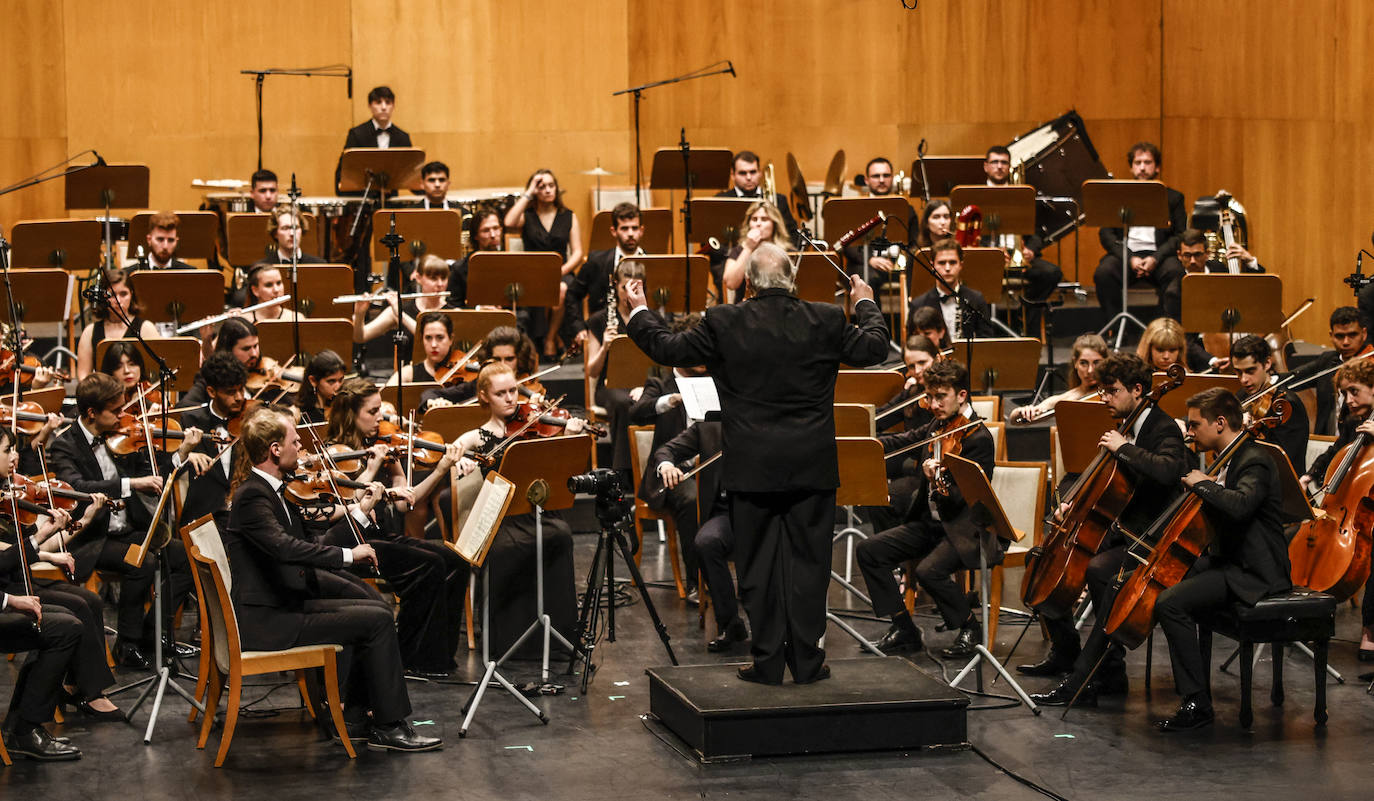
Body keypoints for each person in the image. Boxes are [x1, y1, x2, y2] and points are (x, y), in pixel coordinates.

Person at [622, 242, 889, 685]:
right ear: (793, 282)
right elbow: (875, 347)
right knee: (809, 567)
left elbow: (667, 348)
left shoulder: (724, 322)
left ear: (748, 283)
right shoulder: (824, 318)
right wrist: (863, 303)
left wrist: (640, 311)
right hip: (811, 467)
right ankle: (807, 662)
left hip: (752, 469)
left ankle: (766, 663)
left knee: (758, 569)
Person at [221, 404, 441, 751]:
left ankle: (356, 716)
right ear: (275, 450)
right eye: (296, 442)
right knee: (378, 620)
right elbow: (285, 548)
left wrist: (360, 509)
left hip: (282, 603)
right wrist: (349, 555)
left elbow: (312, 523)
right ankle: (388, 725)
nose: (302, 450)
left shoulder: (269, 490)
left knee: (374, 610)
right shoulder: (252, 497)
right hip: (270, 620)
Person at [1026, 353, 1188, 700]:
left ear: (1137, 389)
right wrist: (1071, 503)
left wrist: (1125, 449)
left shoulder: (1162, 427)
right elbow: (1096, 478)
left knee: (1100, 570)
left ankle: (1102, 672)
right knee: (1040, 558)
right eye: (1102, 391)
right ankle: (1068, 651)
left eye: (1112, 391)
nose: (1104, 398)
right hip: (1120, 529)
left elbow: (1168, 471)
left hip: (1150, 536)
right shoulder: (1127, 426)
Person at [1153, 387, 1291, 731]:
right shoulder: (1233, 457)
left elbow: (1240, 506)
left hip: (1254, 571)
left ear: (1219, 423)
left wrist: (1204, 485)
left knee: (1170, 603)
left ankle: (1197, 702)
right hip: (1230, 560)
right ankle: (1194, 683)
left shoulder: (1255, 458)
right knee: (1172, 577)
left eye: (1194, 424)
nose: (1188, 432)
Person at [47, 373, 202, 668]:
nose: (123, 415)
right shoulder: (65, 445)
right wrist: (130, 484)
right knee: (142, 563)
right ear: (92, 413)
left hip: (128, 529)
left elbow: (152, 472)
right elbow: (78, 488)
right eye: (116, 411)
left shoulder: (123, 439)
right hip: (90, 537)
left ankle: (151, 635)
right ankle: (127, 645)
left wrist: (182, 452)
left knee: (189, 557)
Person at [322, 378, 473, 677]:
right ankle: (408, 655)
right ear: (352, 414)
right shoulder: (334, 453)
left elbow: (407, 502)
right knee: (428, 565)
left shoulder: (384, 446)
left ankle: (439, 654)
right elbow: (346, 505)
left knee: (455, 559)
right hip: (350, 541)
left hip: (380, 536)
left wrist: (441, 468)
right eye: (373, 411)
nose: (382, 418)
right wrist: (372, 467)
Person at [856, 360, 997, 657]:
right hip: (931, 524)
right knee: (869, 550)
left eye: (940, 397)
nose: (932, 404)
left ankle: (970, 626)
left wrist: (940, 477)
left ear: (961, 395)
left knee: (927, 570)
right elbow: (904, 439)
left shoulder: (978, 438)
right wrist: (864, 444)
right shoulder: (937, 425)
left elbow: (966, 499)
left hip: (964, 528)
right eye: (929, 397)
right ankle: (903, 627)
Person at [452, 363, 583, 658]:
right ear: (484, 397)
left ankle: (557, 637)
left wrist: (567, 436)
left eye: (513, 390)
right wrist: (459, 462)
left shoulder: (535, 425)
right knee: (502, 550)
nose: (511, 398)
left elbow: (559, 470)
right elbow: (454, 450)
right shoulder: (478, 436)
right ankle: (508, 641)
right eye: (501, 393)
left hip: (536, 511)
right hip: (500, 517)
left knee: (560, 535)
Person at [1301, 357, 1374, 665]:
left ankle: (1370, 630)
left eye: (1355, 391)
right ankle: (1301, 612)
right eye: (1345, 393)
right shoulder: (1352, 421)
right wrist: (1311, 474)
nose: (1349, 400)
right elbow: (1336, 451)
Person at [653, 420, 746, 651]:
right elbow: (667, 450)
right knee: (706, 542)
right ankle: (730, 624)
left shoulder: (765, 422)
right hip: (727, 514)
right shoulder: (709, 428)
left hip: (764, 512)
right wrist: (666, 466)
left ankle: (778, 627)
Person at [1092, 142, 1187, 324]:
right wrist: (1130, 257)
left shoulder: (1174, 198)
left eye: (1148, 162)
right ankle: (1115, 326)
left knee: (1175, 272)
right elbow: (1106, 234)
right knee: (1104, 273)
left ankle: (1163, 327)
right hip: (1126, 254)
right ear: (1131, 167)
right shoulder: (1118, 197)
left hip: (1160, 256)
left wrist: (1155, 258)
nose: (1142, 167)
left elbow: (1179, 235)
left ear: (1157, 167)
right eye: (1138, 163)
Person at [981, 145, 1063, 336]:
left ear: (1009, 167)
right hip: (988, 257)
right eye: (994, 162)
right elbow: (970, 235)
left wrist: (1031, 250)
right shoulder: (976, 195)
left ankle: (1027, 323)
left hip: (1018, 254)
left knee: (1051, 273)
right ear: (986, 166)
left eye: (1004, 162)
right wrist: (991, 253)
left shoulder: (1023, 195)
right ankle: (984, 331)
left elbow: (1036, 232)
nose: (999, 166)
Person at [503, 168, 584, 358]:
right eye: (541, 187)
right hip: (532, 274)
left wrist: (561, 270)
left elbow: (578, 252)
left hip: (562, 271)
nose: (547, 190)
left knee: (563, 288)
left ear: (556, 189)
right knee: (547, 289)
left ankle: (550, 337)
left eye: (551, 185)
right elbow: (508, 221)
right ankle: (551, 339)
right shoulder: (528, 216)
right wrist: (529, 192)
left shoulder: (569, 216)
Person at [177, 353, 248, 526]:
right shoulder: (190, 420)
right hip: (204, 516)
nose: (239, 397)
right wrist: (185, 454)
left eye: (241, 389)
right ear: (211, 391)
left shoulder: (250, 420)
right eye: (231, 392)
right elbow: (169, 470)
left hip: (244, 513)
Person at [566, 202, 646, 343]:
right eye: (624, 229)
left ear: (641, 230)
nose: (630, 234)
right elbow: (572, 294)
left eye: (634, 228)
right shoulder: (596, 262)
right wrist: (579, 327)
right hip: (604, 332)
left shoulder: (655, 263)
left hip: (646, 330)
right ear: (613, 231)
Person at [1230, 334, 1308, 474]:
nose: (1243, 380)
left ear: (1267, 363)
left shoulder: (1286, 404)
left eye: (1250, 371)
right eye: (1238, 372)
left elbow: (1282, 461)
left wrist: (1248, 433)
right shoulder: (1241, 396)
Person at [1289, 306, 1372, 435]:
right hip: (1326, 441)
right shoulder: (1327, 360)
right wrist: (1269, 380)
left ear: (1364, 334)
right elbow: (1293, 378)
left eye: (1352, 335)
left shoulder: (1370, 365)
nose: (1346, 342)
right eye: (1340, 336)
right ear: (1331, 336)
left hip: (1359, 439)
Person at [75, 268, 161, 381]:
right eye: (112, 295)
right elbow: (83, 376)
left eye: (123, 294)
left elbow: (156, 372)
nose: (118, 300)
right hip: (105, 395)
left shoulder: (146, 328)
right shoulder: (90, 332)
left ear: (132, 294)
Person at [842, 157, 918, 284]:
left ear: (892, 178)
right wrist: (870, 259)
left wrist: (905, 261)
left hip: (899, 263)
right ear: (866, 180)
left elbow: (915, 241)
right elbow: (849, 244)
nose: (882, 180)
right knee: (868, 279)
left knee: (918, 275)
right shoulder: (856, 208)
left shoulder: (906, 208)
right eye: (876, 176)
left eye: (886, 175)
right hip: (864, 263)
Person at [353, 254, 453, 345]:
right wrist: (359, 314)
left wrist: (401, 316)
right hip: (409, 365)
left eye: (444, 278)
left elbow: (429, 340)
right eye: (433, 278)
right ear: (418, 278)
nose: (440, 284)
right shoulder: (401, 310)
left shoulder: (453, 312)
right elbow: (360, 337)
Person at [1010, 333, 1109, 424]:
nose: (1090, 370)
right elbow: (1014, 420)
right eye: (1084, 363)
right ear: (1075, 363)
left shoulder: (1113, 392)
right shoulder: (1068, 398)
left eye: (1096, 363)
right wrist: (1023, 411)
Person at [907, 238, 993, 338]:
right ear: (932, 266)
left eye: (952, 262)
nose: (947, 268)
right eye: (942, 263)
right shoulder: (919, 304)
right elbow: (912, 344)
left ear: (961, 265)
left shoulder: (976, 299)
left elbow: (986, 340)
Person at [335, 85, 412, 190]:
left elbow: (410, 172)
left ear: (393, 106)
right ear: (370, 105)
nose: (384, 107)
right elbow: (345, 169)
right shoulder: (357, 134)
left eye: (388, 102)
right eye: (378, 102)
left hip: (392, 200)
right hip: (363, 196)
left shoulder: (402, 137)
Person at [715, 150, 800, 247]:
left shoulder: (779, 200)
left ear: (760, 173)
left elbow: (792, 235)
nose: (748, 177)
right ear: (733, 175)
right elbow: (712, 239)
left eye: (753, 172)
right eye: (742, 173)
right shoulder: (722, 200)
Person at [719, 201, 794, 302]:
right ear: (749, 224)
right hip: (747, 307)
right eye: (754, 219)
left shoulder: (787, 251)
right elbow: (731, 283)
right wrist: (749, 248)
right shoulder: (739, 251)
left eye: (764, 219)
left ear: (774, 224)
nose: (758, 224)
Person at [875, 333, 940, 433]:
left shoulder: (948, 391)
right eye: (911, 366)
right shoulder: (912, 392)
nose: (917, 371)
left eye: (922, 362)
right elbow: (880, 417)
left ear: (937, 359)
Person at [448, 210, 504, 308]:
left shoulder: (512, 263)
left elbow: (523, 310)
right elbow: (453, 306)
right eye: (486, 230)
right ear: (475, 236)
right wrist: (478, 309)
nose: (493, 235)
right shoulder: (459, 269)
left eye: (496, 228)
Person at [387, 310, 455, 385]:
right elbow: (386, 394)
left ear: (451, 339)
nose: (434, 345)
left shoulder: (464, 370)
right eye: (428, 338)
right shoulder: (408, 374)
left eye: (440, 337)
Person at [128, 211, 195, 271]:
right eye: (160, 239)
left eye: (171, 240)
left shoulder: (190, 273)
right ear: (149, 240)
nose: (165, 246)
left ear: (176, 242)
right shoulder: (130, 275)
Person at [295, 349, 348, 425]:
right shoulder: (301, 414)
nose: (338, 386)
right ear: (313, 380)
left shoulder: (342, 404)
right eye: (331, 381)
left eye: (340, 380)